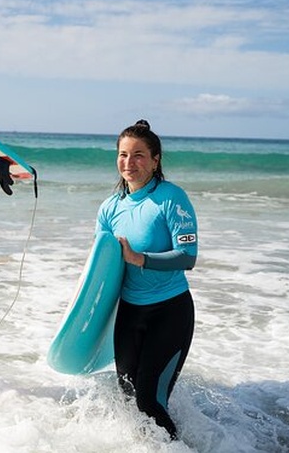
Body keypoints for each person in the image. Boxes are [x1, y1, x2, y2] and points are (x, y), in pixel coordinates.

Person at [96, 120, 198, 439]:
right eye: (123, 154)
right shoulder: (110, 208)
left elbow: (188, 256)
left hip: (169, 311)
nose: (130, 163)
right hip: (129, 313)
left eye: (139, 155)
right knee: (128, 398)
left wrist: (141, 259)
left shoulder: (171, 198)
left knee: (149, 402)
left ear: (156, 160)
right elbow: (101, 269)